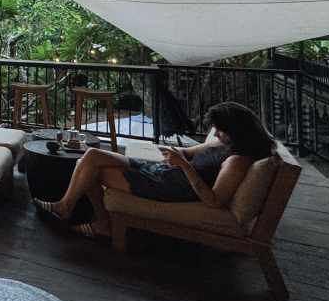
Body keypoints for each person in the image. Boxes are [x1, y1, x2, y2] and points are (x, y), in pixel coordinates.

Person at [33, 102, 275, 238]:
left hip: (172, 187)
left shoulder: (237, 161)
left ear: (236, 130)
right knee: (91, 156)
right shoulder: (222, 143)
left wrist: (184, 167)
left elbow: (214, 201)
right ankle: (90, 218)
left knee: (92, 168)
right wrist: (177, 155)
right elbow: (189, 153)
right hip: (163, 172)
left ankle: (80, 214)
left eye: (219, 128)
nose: (215, 132)